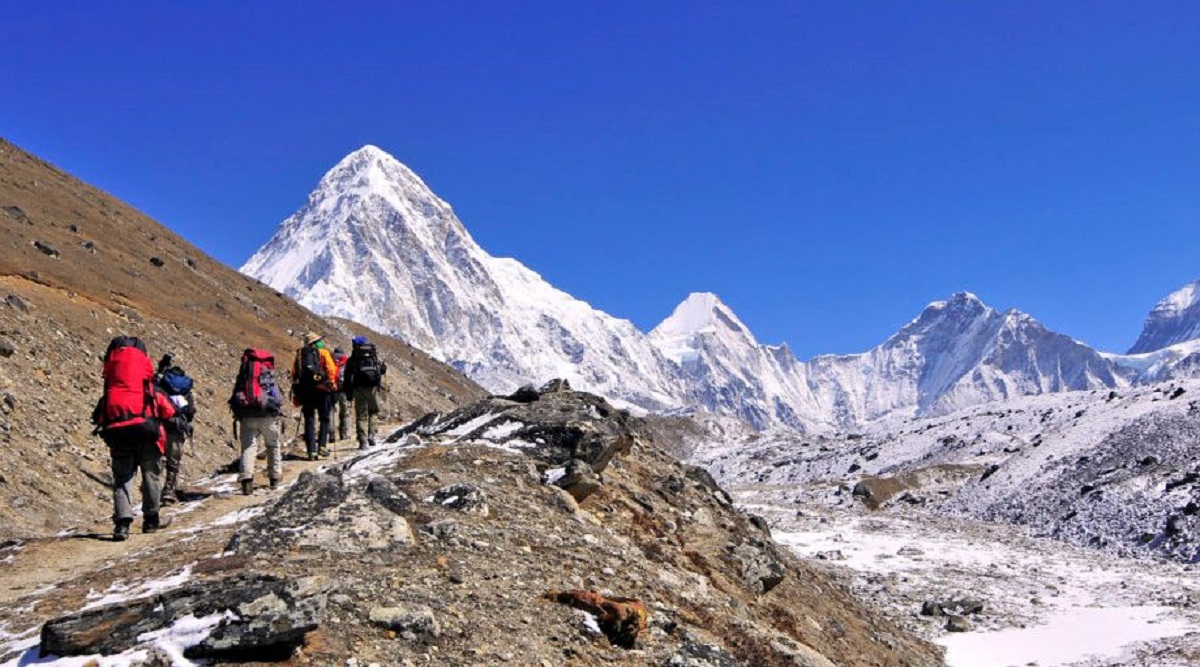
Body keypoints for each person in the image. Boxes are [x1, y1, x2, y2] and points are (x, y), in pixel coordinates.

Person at [92, 336, 184, 541]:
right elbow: (168, 412)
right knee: (151, 476)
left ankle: (122, 524)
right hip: (147, 435)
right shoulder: (149, 389)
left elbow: (98, 416)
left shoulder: (110, 390)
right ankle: (151, 519)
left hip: (118, 435)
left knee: (123, 478)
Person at [229, 348, 286, 495]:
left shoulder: (244, 373)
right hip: (268, 416)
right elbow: (278, 397)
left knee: (248, 447)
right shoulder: (268, 373)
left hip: (247, 415)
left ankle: (247, 480)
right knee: (273, 445)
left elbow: (235, 395)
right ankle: (274, 478)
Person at [153, 353, 196, 505]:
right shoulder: (186, 391)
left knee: (156, 459)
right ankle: (168, 492)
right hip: (177, 428)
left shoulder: (160, 386)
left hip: (159, 425)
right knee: (173, 462)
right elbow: (190, 412)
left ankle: (152, 489)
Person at [291, 332, 339, 460]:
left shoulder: (300, 354)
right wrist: (332, 383)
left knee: (309, 419)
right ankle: (322, 446)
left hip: (306, 390)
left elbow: (294, 373)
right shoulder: (323, 352)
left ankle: (311, 451)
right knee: (324, 418)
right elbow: (331, 369)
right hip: (322, 389)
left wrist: (297, 392)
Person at [344, 335, 387, 450]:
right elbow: (380, 371)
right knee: (373, 411)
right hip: (372, 388)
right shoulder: (373, 356)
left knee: (361, 416)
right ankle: (371, 435)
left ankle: (362, 441)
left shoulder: (352, 359)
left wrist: (348, 394)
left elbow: (347, 377)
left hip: (358, 389)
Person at [331, 347, 350, 441]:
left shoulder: (330, 360)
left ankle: (331, 434)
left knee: (331, 412)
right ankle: (344, 434)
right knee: (344, 413)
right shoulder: (346, 361)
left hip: (332, 390)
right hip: (343, 391)